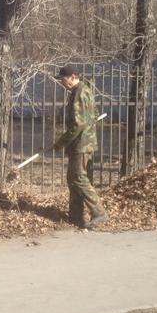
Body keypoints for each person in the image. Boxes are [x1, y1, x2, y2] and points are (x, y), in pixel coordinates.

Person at [52, 65, 108, 230]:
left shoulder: (79, 93)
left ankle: (99, 213)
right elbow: (94, 114)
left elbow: (77, 124)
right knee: (73, 179)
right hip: (82, 143)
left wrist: (61, 142)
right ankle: (75, 216)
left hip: (81, 144)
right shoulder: (84, 91)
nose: (62, 82)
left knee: (79, 179)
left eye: (63, 79)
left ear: (73, 76)